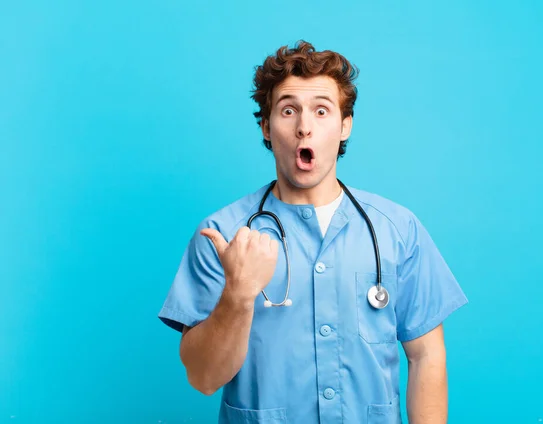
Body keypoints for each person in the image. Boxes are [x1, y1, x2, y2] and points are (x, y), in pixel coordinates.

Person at [158, 40, 468, 424]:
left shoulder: (397, 230)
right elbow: (203, 378)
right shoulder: (222, 235)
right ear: (267, 128)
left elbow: (426, 356)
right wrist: (237, 295)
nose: (304, 127)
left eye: (322, 111)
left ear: (344, 126)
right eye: (288, 110)